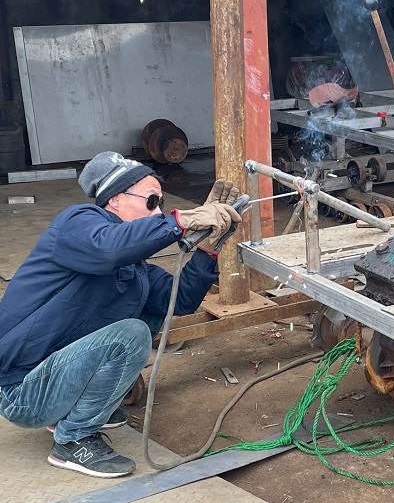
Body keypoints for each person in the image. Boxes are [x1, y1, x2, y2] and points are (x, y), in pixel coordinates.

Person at [0, 151, 243, 478]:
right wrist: (181, 221)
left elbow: (180, 299)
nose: (158, 211)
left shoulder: (135, 268)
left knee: (149, 317)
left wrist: (208, 248)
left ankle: (74, 409)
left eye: (161, 204)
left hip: (52, 379)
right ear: (115, 199)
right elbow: (109, 248)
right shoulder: (77, 224)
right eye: (152, 201)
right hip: (21, 391)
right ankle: (73, 440)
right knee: (130, 335)